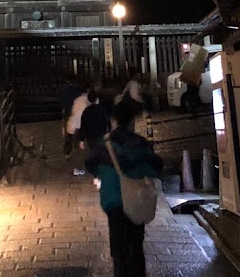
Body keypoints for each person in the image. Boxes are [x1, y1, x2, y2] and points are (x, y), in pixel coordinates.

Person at [85, 99, 163, 276]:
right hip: (136, 198)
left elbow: (90, 164)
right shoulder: (140, 143)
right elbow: (156, 166)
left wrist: (104, 171)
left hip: (113, 199)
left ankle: (120, 272)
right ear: (132, 121)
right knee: (136, 243)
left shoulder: (103, 145)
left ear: (113, 120)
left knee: (118, 246)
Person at [67, 85, 91, 173]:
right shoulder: (87, 101)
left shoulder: (77, 99)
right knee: (81, 148)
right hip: (79, 126)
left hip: (72, 125)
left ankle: (78, 166)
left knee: (77, 147)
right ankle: (78, 168)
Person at [58, 74, 82, 155]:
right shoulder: (78, 88)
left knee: (68, 130)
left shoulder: (62, 89)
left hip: (67, 111)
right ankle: (76, 143)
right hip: (77, 111)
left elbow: (60, 99)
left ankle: (68, 148)